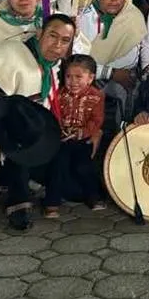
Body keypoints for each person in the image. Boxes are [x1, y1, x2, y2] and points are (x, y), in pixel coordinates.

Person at [0, 14, 76, 230]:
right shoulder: (11, 54)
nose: (57, 45)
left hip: (36, 130)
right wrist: (17, 124)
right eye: (53, 36)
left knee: (68, 166)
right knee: (20, 148)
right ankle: (18, 203)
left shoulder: (55, 66)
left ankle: (50, 197)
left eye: (65, 41)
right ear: (40, 33)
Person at [44, 54, 106, 217]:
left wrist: (83, 132)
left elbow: (97, 120)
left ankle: (94, 197)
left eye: (79, 77)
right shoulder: (59, 94)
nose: (73, 81)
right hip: (63, 139)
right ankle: (52, 202)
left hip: (83, 139)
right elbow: (54, 115)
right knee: (58, 164)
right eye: (68, 76)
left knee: (84, 166)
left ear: (91, 78)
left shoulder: (97, 96)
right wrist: (60, 130)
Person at [87, 0, 146, 124]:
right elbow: (78, 60)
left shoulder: (133, 16)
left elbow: (133, 57)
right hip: (88, 75)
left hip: (124, 75)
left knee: (133, 88)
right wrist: (110, 73)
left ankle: (123, 134)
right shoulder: (86, 16)